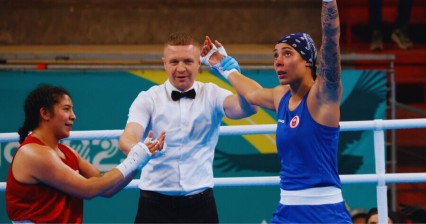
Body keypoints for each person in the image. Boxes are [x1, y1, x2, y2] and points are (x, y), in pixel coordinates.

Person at [200, 0, 351, 222]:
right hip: (287, 210)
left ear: (308, 60)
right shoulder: (281, 96)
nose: (278, 61)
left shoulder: (323, 96)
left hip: (325, 212)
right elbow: (252, 93)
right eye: (275, 55)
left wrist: (329, 2)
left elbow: (331, 39)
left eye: (287, 54)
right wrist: (223, 66)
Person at [118, 32, 257, 223]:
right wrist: (141, 150)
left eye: (188, 61)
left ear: (199, 63)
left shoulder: (212, 94)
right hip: (153, 205)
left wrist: (230, 72)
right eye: (174, 61)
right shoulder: (148, 98)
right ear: (164, 63)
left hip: (201, 205)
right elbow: (127, 138)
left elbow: (250, 107)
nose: (181, 68)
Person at [6, 84, 165, 223]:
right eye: (66, 109)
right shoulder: (33, 153)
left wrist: (139, 161)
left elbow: (106, 187)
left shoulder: (67, 152)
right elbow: (88, 189)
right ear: (45, 113)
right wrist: (133, 160)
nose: (73, 116)